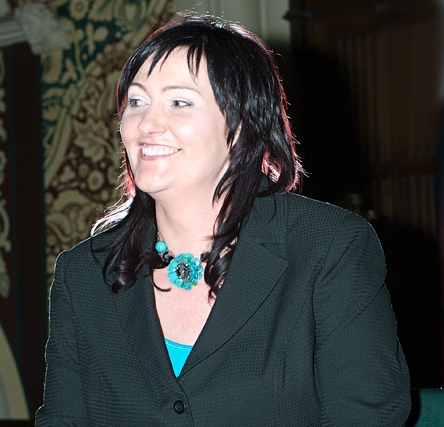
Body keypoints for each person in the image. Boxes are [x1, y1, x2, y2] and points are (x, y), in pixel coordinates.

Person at [35, 12, 411, 426]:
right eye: (137, 101)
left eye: (179, 102)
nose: (147, 123)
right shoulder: (83, 273)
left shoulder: (329, 248)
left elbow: (365, 417)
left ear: (242, 124)